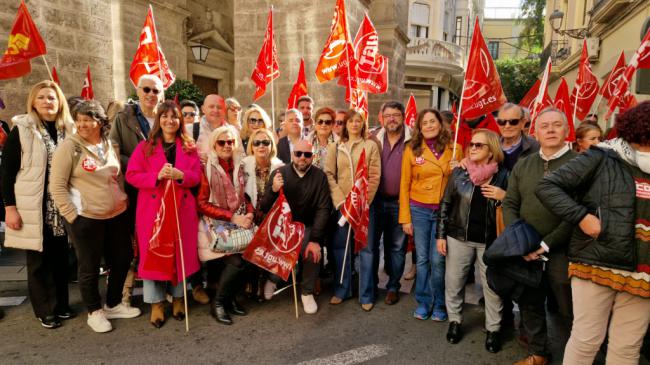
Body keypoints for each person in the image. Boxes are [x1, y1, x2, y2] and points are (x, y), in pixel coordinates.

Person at [536, 101, 650, 365]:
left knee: (627, 347)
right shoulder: (602, 156)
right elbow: (549, 187)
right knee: (587, 340)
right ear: (637, 134)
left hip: (643, 272)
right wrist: (582, 217)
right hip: (597, 261)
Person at [50, 100, 140, 333]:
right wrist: (72, 216)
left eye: (87, 120)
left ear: (100, 122)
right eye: (78, 120)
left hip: (117, 214)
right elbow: (57, 186)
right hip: (86, 217)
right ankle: (94, 311)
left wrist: (123, 198)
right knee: (89, 266)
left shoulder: (109, 144)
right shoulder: (69, 147)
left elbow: (116, 176)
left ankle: (113, 304)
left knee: (122, 258)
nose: (82, 125)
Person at [503, 107, 577, 365]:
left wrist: (546, 244)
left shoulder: (581, 164)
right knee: (530, 303)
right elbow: (510, 202)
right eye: (544, 126)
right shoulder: (525, 164)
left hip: (564, 250)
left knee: (568, 307)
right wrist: (519, 240)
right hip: (527, 248)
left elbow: (579, 214)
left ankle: (575, 357)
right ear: (535, 131)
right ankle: (539, 354)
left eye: (557, 125)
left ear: (567, 130)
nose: (550, 130)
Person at [1, 80, 75, 329]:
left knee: (61, 259)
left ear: (60, 101)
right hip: (33, 205)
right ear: (33, 101)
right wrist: (9, 207)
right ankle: (45, 310)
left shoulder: (70, 129)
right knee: (38, 261)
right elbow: (7, 172)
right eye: (42, 97)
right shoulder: (22, 129)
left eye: (52, 97)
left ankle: (62, 305)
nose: (47, 102)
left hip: (62, 206)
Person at [125, 101, 202, 328]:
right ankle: (156, 303)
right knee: (155, 255)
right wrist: (155, 177)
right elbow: (132, 175)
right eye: (165, 116)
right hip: (153, 211)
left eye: (175, 117)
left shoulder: (189, 146)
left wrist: (181, 175)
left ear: (180, 121)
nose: (170, 121)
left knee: (180, 254)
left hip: (181, 210)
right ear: (159, 120)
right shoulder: (145, 147)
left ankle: (179, 297)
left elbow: (196, 176)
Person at [436, 129, 508, 353]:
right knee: (454, 282)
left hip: (491, 241)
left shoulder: (504, 175)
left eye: (479, 145)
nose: (473, 148)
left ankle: (493, 329)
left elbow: (517, 205)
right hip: (458, 238)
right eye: (472, 145)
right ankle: (455, 321)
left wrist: (504, 196)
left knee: (492, 287)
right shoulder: (459, 173)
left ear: (491, 151)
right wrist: (440, 235)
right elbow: (445, 205)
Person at [399, 108, 462, 321]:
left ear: (440, 123)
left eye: (432, 121)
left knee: (439, 259)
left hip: (444, 211)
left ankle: (440, 304)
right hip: (419, 209)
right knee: (423, 259)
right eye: (424, 122)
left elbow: (462, 185)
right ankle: (424, 301)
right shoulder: (411, 149)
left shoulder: (456, 149)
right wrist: (405, 217)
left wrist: (460, 168)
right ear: (419, 127)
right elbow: (404, 184)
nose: (428, 125)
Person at [110, 74, 164, 306]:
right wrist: (139, 164)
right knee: (133, 244)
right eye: (147, 89)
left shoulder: (167, 117)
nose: (151, 94)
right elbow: (114, 150)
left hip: (161, 191)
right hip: (135, 190)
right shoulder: (124, 117)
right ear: (138, 91)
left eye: (156, 91)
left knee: (161, 239)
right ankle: (124, 297)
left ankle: (165, 290)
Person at [260, 140, 333, 314]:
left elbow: (323, 209)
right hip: (283, 225)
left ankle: (306, 292)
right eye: (298, 153)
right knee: (279, 250)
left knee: (312, 252)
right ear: (292, 154)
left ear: (312, 156)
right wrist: (274, 190)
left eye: (307, 155)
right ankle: (273, 279)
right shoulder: (279, 173)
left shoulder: (319, 176)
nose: (302, 158)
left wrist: (316, 239)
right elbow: (264, 206)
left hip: (307, 226)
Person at [197, 125, 254, 325]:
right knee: (236, 262)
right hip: (216, 224)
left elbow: (246, 196)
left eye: (230, 141)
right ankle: (218, 303)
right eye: (222, 142)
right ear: (214, 144)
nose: (227, 146)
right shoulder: (207, 167)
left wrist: (249, 213)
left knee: (247, 258)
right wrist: (232, 217)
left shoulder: (241, 164)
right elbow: (202, 203)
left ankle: (228, 300)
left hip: (237, 220)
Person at [324, 110, 381, 310]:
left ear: (363, 124)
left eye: (359, 121)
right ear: (345, 124)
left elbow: (374, 176)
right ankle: (342, 290)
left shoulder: (371, 146)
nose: (355, 124)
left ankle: (366, 295)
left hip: (365, 207)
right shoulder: (335, 147)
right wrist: (341, 201)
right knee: (341, 248)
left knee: (367, 249)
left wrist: (362, 203)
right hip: (343, 206)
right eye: (351, 121)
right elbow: (329, 175)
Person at [368, 101, 411, 306]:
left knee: (397, 248)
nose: (392, 119)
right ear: (381, 118)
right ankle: (373, 283)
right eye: (388, 116)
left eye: (396, 115)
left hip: (400, 203)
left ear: (403, 116)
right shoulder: (373, 138)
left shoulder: (414, 140)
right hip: (375, 202)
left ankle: (393, 286)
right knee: (372, 246)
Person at [496, 103, 539, 172]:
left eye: (513, 122)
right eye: (502, 122)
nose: (507, 126)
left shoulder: (536, 147)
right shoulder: (490, 146)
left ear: (523, 123)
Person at [195, 94, 228, 159]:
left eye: (219, 107)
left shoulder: (232, 132)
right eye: (211, 107)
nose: (215, 110)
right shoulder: (189, 130)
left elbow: (240, 158)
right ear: (203, 109)